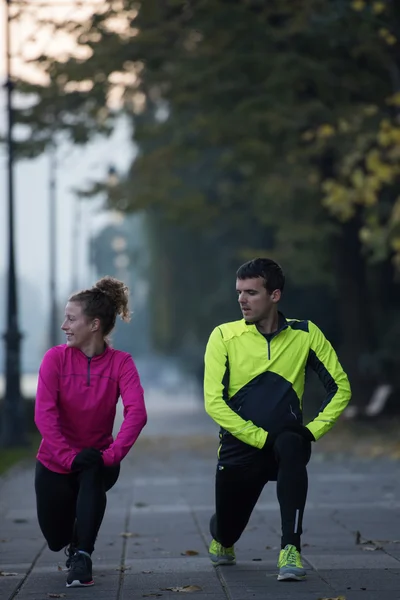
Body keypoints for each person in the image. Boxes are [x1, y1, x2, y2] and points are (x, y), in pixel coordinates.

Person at [204, 258, 351, 581]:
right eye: (239, 292)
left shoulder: (306, 334)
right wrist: (259, 438)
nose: (242, 299)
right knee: (227, 531)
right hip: (238, 448)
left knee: (292, 443)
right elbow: (214, 403)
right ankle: (222, 539)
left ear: (275, 295)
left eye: (251, 292)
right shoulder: (223, 336)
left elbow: (340, 388)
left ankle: (290, 549)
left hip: (284, 443)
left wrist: (311, 432)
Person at [34, 276, 147, 588]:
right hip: (54, 463)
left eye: (71, 318)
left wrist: (111, 455)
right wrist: (69, 458)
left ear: (94, 324)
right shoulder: (54, 359)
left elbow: (137, 413)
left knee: (92, 470)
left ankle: (83, 555)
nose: (64, 326)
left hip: (99, 459)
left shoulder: (121, 363)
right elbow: (45, 414)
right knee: (55, 538)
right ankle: (71, 542)